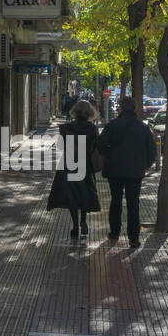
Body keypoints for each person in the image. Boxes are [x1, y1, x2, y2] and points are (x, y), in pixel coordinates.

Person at [95, 95, 157, 250]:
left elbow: (100, 144)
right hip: (135, 171)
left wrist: (109, 155)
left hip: (115, 170)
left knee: (115, 201)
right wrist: (146, 165)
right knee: (133, 204)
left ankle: (114, 232)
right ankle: (133, 239)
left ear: (120, 108)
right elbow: (152, 150)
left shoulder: (112, 125)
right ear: (135, 109)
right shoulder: (143, 127)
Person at [46, 100, 102, 239]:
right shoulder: (92, 129)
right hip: (85, 164)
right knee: (84, 193)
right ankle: (83, 220)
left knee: (71, 194)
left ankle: (75, 225)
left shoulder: (66, 128)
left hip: (69, 164)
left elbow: (60, 146)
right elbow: (95, 147)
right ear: (89, 113)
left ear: (75, 112)